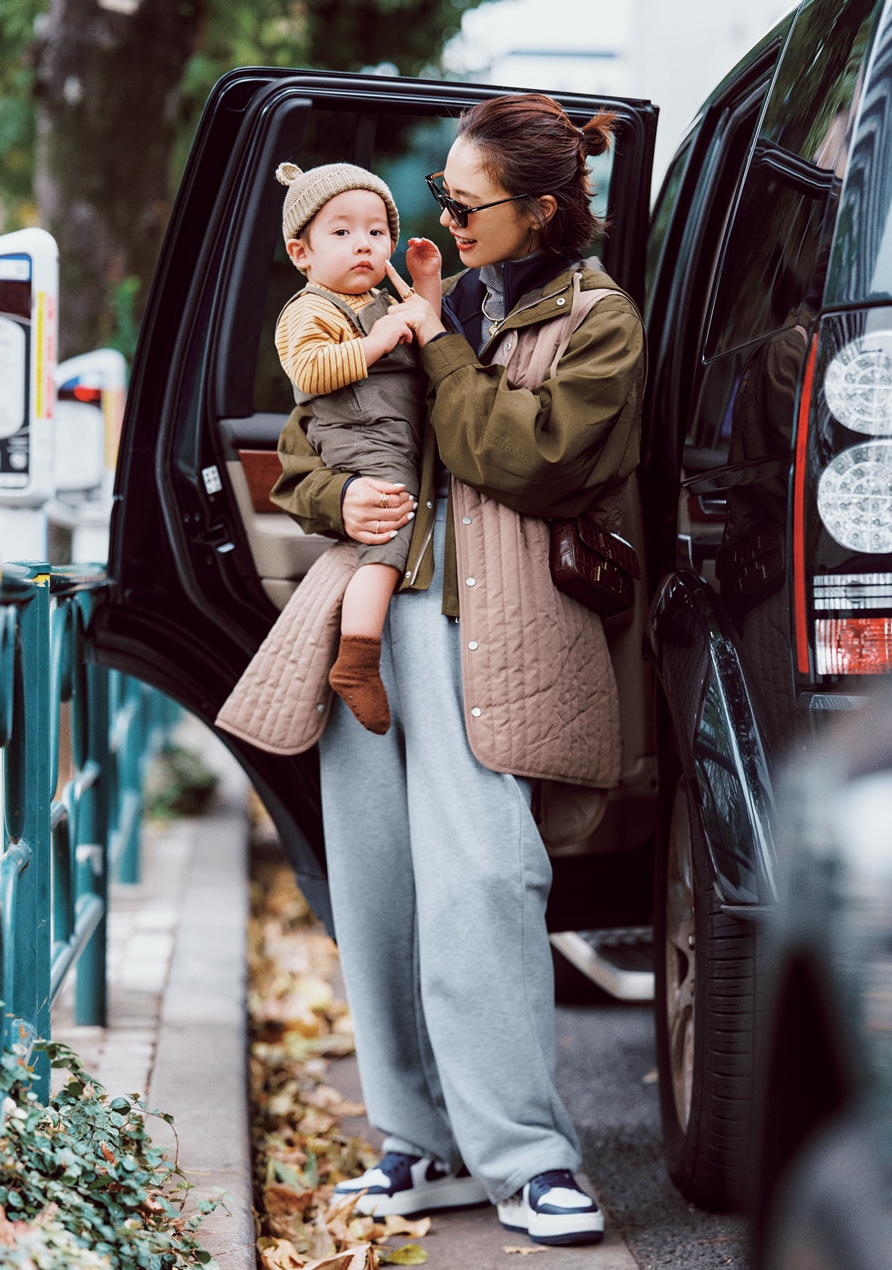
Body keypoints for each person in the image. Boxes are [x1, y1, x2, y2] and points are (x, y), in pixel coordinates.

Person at [270, 93, 645, 1247]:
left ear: (540, 208)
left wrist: (430, 335)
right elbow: (302, 452)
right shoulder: (383, 301)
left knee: (485, 877)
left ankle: (528, 1156)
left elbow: (517, 456)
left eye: (463, 201)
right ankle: (418, 1140)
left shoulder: (597, 319)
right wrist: (344, 497)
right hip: (373, 620)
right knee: (377, 886)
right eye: (437, 196)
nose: (440, 219)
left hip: (500, 620)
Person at [273, 160, 441, 735]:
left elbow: (428, 335)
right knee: (389, 534)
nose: (362, 245)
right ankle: (358, 657)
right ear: (303, 254)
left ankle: (361, 652)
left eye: (376, 231)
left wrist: (425, 284)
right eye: (341, 233)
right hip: (358, 436)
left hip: (394, 433)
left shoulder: (382, 295)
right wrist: (373, 344)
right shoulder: (310, 309)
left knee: (399, 521)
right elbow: (312, 371)